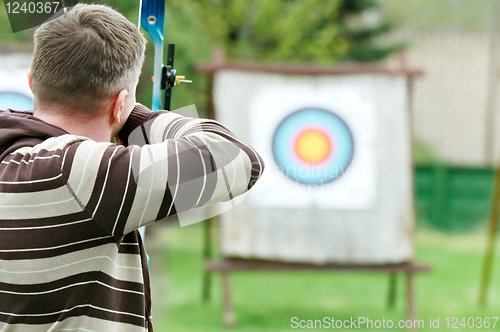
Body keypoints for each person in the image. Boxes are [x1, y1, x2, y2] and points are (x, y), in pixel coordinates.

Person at [0, 3, 264, 332]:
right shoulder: (81, 175)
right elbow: (238, 160)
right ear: (119, 103)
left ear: (31, 82)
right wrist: (135, 117)